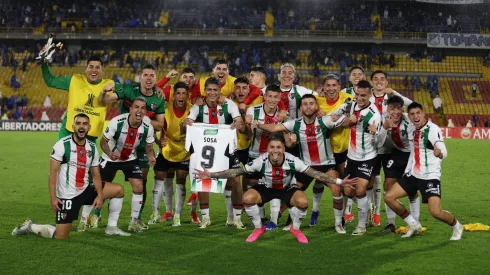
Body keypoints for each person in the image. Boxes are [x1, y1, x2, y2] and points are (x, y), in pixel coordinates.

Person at [194, 133, 358, 243]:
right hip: (266, 187)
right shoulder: (261, 160)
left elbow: (315, 174)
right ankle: (259, 229)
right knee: (247, 198)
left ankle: (295, 229)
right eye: (272, 147)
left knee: (302, 202)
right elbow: (237, 171)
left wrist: (338, 182)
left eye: (278, 147)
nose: (275, 151)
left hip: (287, 188)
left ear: (283, 149)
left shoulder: (293, 160)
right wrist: (212, 175)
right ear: (268, 149)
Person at [12, 114, 128, 239]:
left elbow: (96, 174)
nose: (81, 126)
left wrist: (100, 195)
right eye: (78, 123)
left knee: (119, 190)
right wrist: (53, 198)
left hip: (86, 190)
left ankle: (111, 227)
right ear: (73, 127)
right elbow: (53, 174)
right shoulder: (62, 145)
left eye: (84, 124)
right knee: (61, 236)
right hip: (67, 196)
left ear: (89, 127)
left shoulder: (92, 147)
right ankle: (30, 227)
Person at [256, 94, 350, 233]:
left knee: (336, 189)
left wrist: (345, 117)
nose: (308, 106)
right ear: (300, 108)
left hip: (326, 164)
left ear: (316, 106)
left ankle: (338, 223)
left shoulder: (325, 121)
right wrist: (256, 124)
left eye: (311, 103)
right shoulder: (296, 123)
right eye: (305, 104)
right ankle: (292, 220)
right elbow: (274, 128)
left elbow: (347, 122)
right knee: (291, 191)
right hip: (306, 166)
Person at [95, 64, 165, 226]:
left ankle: (136, 219)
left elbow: (160, 125)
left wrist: (143, 119)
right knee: (106, 179)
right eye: (145, 75)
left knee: (141, 182)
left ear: (155, 78)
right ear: (140, 77)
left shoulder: (158, 97)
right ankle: (96, 213)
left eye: (152, 75)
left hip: (142, 145)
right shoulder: (128, 90)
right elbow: (103, 101)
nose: (148, 78)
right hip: (119, 143)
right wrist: (105, 91)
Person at [384, 102, 463, 241]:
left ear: (423, 113)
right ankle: (414, 224)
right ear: (409, 116)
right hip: (413, 174)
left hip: (430, 176)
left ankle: (457, 226)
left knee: (436, 212)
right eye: (412, 114)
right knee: (389, 197)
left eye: (418, 113)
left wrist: (439, 154)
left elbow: (444, 151)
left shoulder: (432, 129)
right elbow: (414, 152)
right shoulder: (412, 129)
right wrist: (408, 170)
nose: (415, 116)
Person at [184, 77, 247, 229]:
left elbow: (240, 122)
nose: (212, 93)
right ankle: (205, 218)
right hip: (205, 148)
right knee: (203, 180)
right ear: (204, 91)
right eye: (209, 90)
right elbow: (186, 123)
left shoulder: (229, 104)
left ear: (220, 91)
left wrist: (238, 123)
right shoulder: (198, 106)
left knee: (236, 181)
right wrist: (186, 123)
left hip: (227, 149)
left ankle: (235, 218)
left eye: (215, 90)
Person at [98, 97, 156, 233]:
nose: (139, 110)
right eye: (136, 107)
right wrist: (110, 153)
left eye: (142, 108)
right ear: (131, 109)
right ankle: (91, 216)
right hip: (110, 158)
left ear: (145, 111)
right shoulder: (117, 122)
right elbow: (103, 142)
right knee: (99, 187)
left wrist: (151, 156)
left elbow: (148, 147)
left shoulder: (147, 127)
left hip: (130, 158)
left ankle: (134, 220)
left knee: (139, 186)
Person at [150, 82, 199, 226]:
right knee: (159, 177)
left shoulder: (193, 110)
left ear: (188, 96)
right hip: (167, 149)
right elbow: (151, 124)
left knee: (181, 180)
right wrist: (157, 141)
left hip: (185, 152)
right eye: (178, 93)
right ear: (174, 95)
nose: (181, 96)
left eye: (184, 93)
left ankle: (177, 215)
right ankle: (156, 212)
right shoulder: (165, 108)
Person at [337, 80, 382, 235]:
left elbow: (379, 142)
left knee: (361, 189)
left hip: (368, 157)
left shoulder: (374, 114)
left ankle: (361, 225)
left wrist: (375, 133)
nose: (360, 98)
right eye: (358, 94)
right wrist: (345, 121)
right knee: (348, 192)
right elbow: (334, 117)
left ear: (370, 94)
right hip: (352, 156)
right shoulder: (350, 105)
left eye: (363, 95)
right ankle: (366, 206)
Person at [369, 70, 412, 227]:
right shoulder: (368, 97)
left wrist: (393, 92)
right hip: (373, 146)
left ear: (386, 82)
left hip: (390, 148)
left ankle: (390, 222)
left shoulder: (391, 97)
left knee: (389, 184)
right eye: (376, 79)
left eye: (382, 79)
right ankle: (370, 213)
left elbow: (410, 104)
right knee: (369, 182)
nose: (379, 82)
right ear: (371, 82)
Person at [42, 55, 114, 141]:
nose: (94, 70)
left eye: (97, 67)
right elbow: (50, 81)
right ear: (86, 69)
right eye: (91, 67)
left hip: (90, 136)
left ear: (102, 70)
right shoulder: (74, 80)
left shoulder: (108, 84)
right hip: (68, 132)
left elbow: (122, 93)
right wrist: (43, 63)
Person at [377, 96, 420, 232]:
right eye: (392, 108)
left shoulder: (409, 122)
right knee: (388, 185)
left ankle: (415, 221)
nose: (395, 112)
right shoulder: (383, 118)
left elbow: (413, 148)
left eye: (398, 108)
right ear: (387, 109)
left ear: (402, 109)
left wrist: (409, 168)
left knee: (411, 190)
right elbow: (379, 142)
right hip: (397, 152)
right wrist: (384, 128)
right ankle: (391, 223)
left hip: (411, 154)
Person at [316, 74, 355, 223]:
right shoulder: (317, 102)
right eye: (328, 85)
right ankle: (341, 217)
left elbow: (348, 121)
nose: (331, 88)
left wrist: (328, 118)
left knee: (348, 188)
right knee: (336, 185)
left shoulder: (347, 98)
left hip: (345, 149)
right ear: (323, 88)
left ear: (339, 87)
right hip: (327, 152)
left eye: (334, 85)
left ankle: (352, 211)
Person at [244, 85, 283, 228]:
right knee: (254, 186)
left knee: (274, 186)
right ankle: (261, 218)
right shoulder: (252, 111)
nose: (272, 100)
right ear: (265, 97)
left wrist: (259, 125)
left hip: (274, 157)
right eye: (270, 96)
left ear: (279, 99)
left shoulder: (282, 114)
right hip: (255, 154)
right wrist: (250, 128)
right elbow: (248, 136)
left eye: (275, 97)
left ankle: (273, 221)